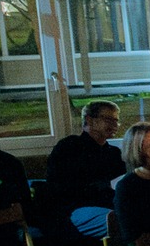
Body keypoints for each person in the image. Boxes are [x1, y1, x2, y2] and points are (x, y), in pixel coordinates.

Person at [45, 100, 126, 237]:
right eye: (108, 119)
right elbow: (63, 188)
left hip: (109, 204)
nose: (114, 125)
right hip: (75, 208)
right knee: (120, 220)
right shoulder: (69, 147)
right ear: (89, 120)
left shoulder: (113, 153)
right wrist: (106, 185)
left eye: (116, 121)